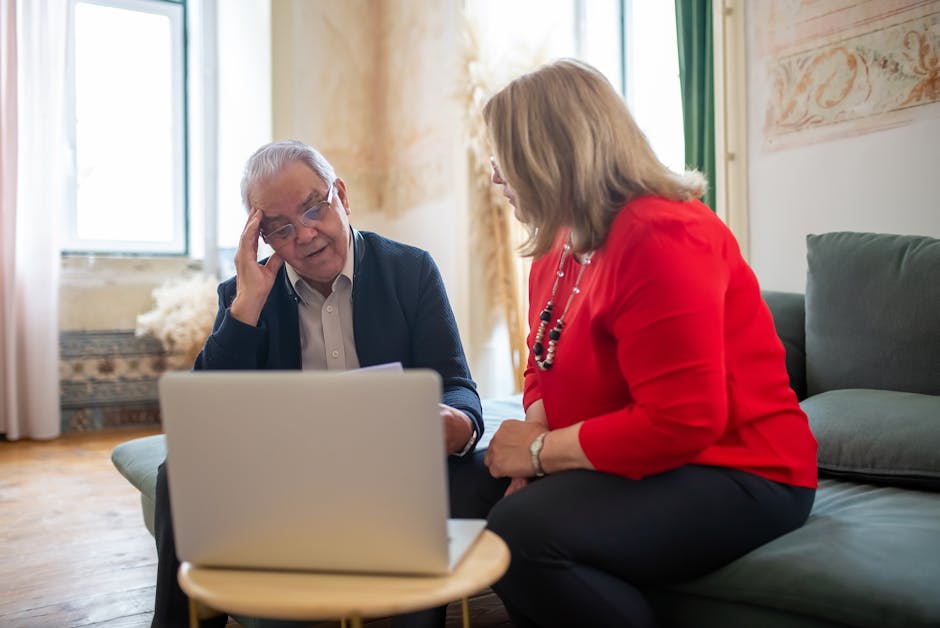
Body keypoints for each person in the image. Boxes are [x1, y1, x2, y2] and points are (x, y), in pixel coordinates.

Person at [480, 59, 819, 628]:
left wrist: (539, 455)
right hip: (630, 458)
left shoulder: (661, 234)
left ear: (551, 156)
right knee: (455, 484)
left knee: (521, 534)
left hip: (741, 469)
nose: (494, 177)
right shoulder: (555, 245)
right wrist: (535, 439)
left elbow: (683, 421)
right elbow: (541, 360)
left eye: (503, 159)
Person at [151, 140, 505, 627]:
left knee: (484, 470)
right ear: (262, 238)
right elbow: (207, 419)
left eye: (313, 207)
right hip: (290, 473)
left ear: (340, 194)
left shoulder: (410, 269)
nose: (306, 234)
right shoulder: (245, 294)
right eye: (281, 228)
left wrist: (457, 421)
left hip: (395, 467)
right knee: (178, 473)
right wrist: (246, 308)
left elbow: (456, 383)